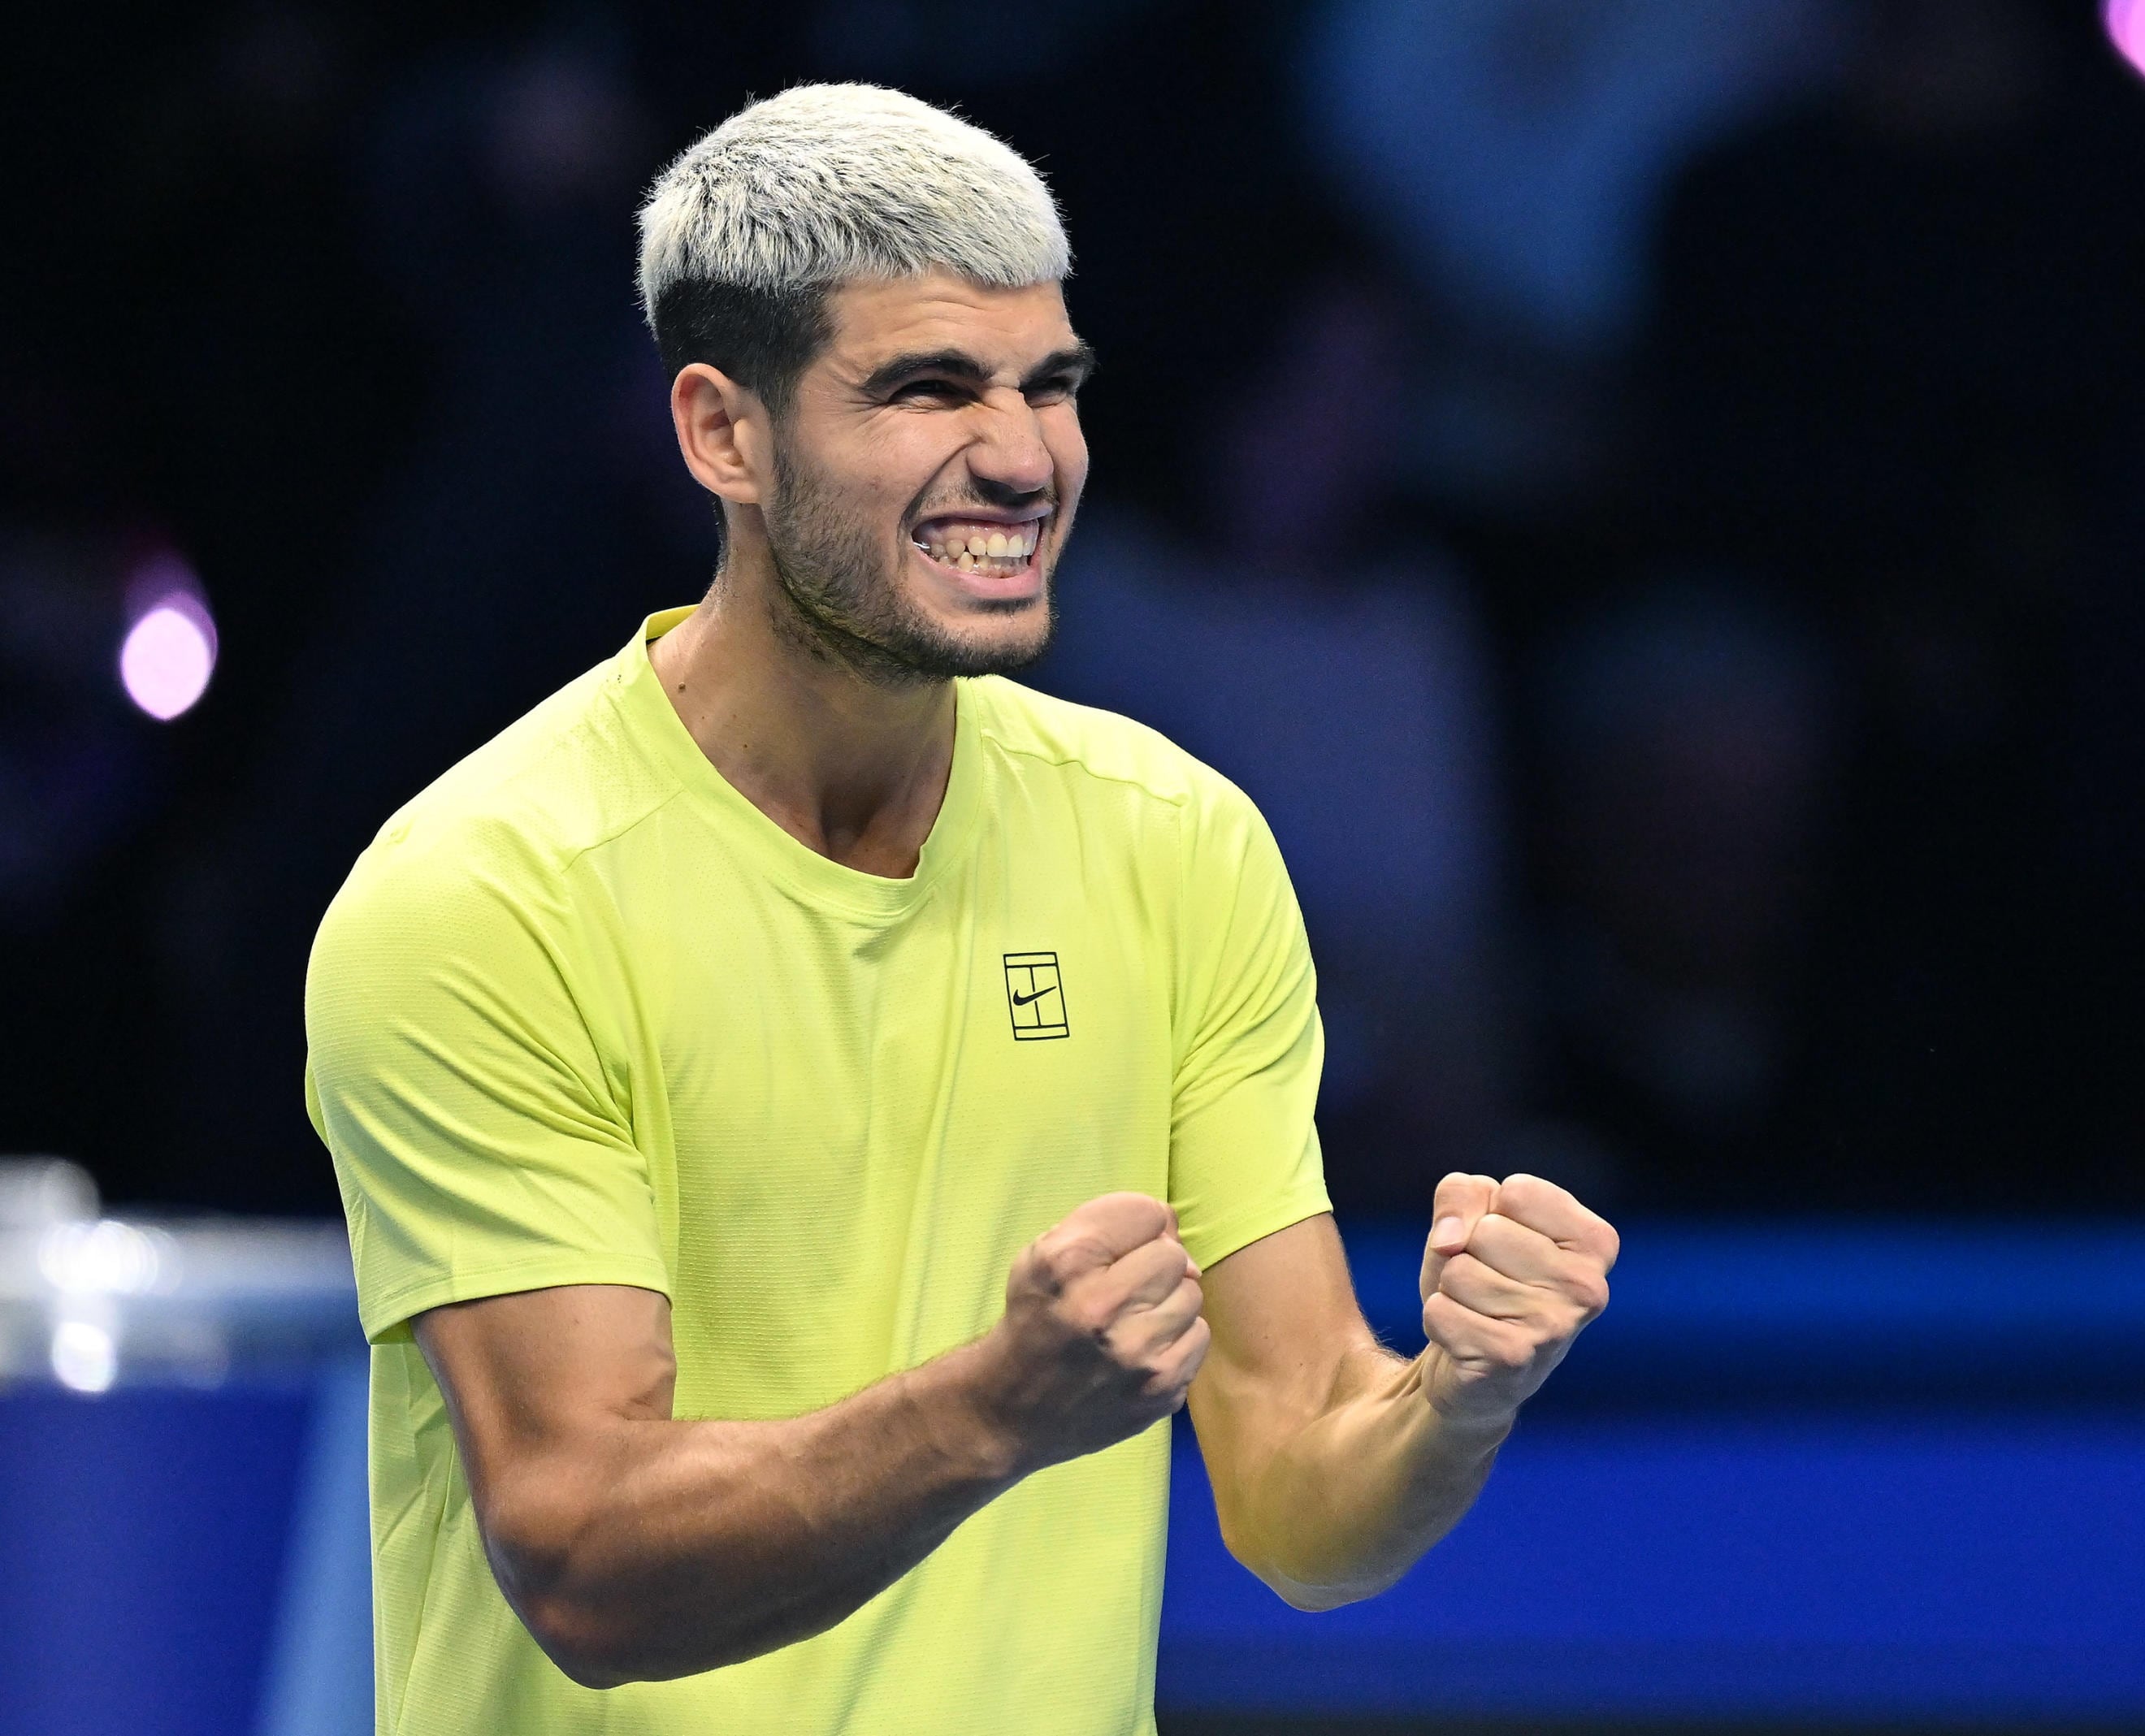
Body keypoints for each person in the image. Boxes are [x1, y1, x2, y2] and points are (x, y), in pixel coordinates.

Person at [304, 83, 1616, 1736]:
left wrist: (1454, 1400)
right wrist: (996, 1405)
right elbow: (582, 1552)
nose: (1020, 456)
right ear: (724, 433)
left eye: (1047, 387)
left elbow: (1292, 1481)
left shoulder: (1177, 845)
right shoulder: (483, 895)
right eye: (927, 389)